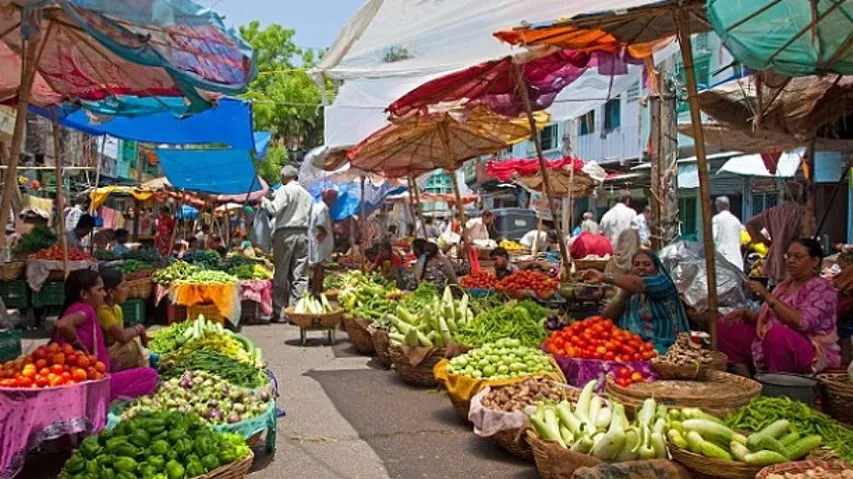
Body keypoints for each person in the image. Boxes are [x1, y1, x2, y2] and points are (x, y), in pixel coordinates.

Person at [718, 238, 840, 376]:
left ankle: (777, 386)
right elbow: (770, 318)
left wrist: (766, 295)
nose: (791, 260)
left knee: (777, 335)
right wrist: (746, 315)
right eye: (788, 256)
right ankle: (746, 380)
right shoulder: (785, 286)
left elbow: (803, 323)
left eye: (798, 257)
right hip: (771, 340)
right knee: (726, 325)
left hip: (810, 349)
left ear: (815, 261)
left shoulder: (822, 288)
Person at [52, 270, 158, 401]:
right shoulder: (85, 310)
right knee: (149, 375)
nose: (103, 293)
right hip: (92, 385)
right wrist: (77, 345)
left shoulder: (75, 309)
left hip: (88, 378)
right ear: (84, 294)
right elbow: (62, 324)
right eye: (99, 290)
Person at [583, 250, 690, 353]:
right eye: (636, 264)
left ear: (657, 269)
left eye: (647, 264)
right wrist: (624, 295)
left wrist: (603, 277)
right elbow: (607, 317)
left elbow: (640, 284)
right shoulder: (631, 288)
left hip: (665, 346)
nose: (641, 268)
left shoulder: (664, 282)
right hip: (632, 348)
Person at [262, 165, 313, 321]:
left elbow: (274, 209)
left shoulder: (284, 190)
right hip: (303, 234)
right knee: (300, 274)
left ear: (284, 177)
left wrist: (264, 201)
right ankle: (297, 311)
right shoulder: (307, 195)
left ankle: (280, 312)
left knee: (281, 274)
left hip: (285, 234)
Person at [745, 181, 806, 285]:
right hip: (796, 258)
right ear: (800, 195)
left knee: (777, 291)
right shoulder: (801, 212)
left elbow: (750, 224)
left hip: (775, 258)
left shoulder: (773, 212)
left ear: (782, 194)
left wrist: (764, 241)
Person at [96, 269, 149, 372]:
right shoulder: (102, 311)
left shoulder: (117, 309)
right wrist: (139, 328)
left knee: (134, 342)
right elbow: (123, 336)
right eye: (123, 285)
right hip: (101, 357)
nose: (127, 289)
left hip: (111, 350)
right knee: (132, 346)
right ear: (111, 292)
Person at [308, 190, 337, 295]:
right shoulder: (323, 208)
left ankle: (316, 290)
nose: (335, 201)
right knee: (320, 268)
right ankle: (315, 292)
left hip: (318, 243)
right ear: (329, 198)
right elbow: (320, 224)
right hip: (321, 244)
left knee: (317, 269)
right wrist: (323, 234)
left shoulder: (317, 206)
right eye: (334, 198)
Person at [712, 196, 745, 271]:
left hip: (723, 258)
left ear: (719, 206)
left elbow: (713, 237)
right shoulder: (736, 220)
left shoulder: (717, 219)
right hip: (737, 259)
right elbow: (742, 237)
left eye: (717, 205)